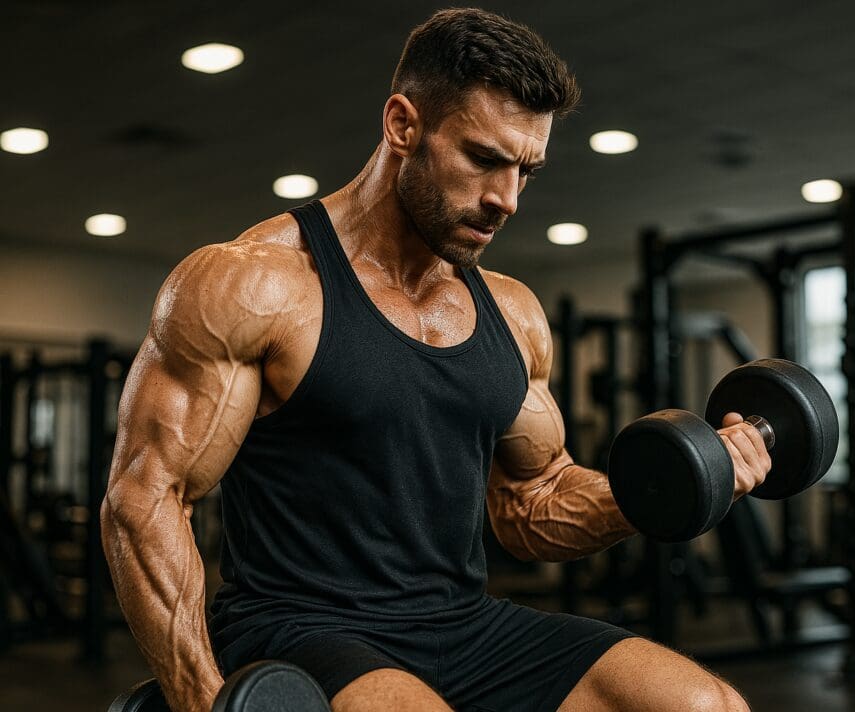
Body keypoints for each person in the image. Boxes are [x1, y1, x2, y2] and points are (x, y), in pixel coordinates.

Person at [101, 8, 770, 712]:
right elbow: (144, 499)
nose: (506, 199)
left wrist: (674, 483)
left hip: (463, 626)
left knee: (706, 704)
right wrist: (199, 697)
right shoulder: (259, 284)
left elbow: (531, 503)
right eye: (484, 158)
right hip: (299, 630)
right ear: (402, 125)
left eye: (526, 171)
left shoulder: (512, 313)